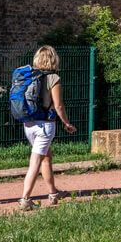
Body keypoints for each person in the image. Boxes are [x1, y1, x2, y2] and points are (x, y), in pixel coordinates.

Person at [17, 45, 77, 211]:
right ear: (53, 59)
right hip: (45, 125)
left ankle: (53, 193)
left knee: (46, 157)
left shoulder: (28, 76)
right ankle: (25, 198)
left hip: (28, 124)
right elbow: (58, 106)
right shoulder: (53, 78)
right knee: (35, 160)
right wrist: (66, 123)